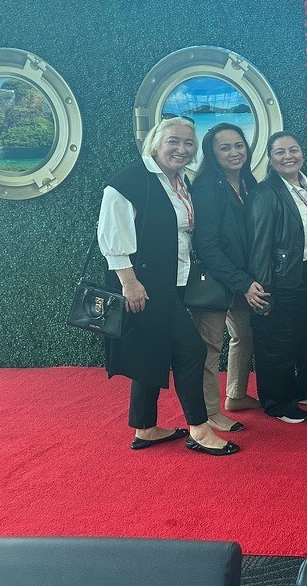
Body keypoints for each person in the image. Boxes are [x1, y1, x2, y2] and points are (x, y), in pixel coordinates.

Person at [98, 117, 239, 456]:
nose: (182, 149)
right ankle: (200, 429)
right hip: (144, 286)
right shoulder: (129, 181)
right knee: (191, 350)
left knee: (151, 350)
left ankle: (145, 428)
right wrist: (130, 283)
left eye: (189, 143)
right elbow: (111, 238)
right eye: (173, 141)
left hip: (172, 280)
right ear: (155, 143)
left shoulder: (180, 180)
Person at [247, 131, 307, 423]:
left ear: (302, 153)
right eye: (280, 152)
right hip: (282, 277)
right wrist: (263, 288)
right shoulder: (265, 193)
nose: (288, 156)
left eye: (293, 150)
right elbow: (260, 243)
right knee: (279, 343)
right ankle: (279, 402)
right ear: (270, 159)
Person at [189, 123, 268, 433]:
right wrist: (242, 282)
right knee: (210, 347)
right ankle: (209, 413)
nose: (234, 152)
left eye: (239, 145)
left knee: (244, 336)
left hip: (242, 278)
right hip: (218, 279)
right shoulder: (206, 187)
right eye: (225, 147)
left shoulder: (248, 181)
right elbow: (207, 245)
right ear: (212, 153)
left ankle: (235, 395)